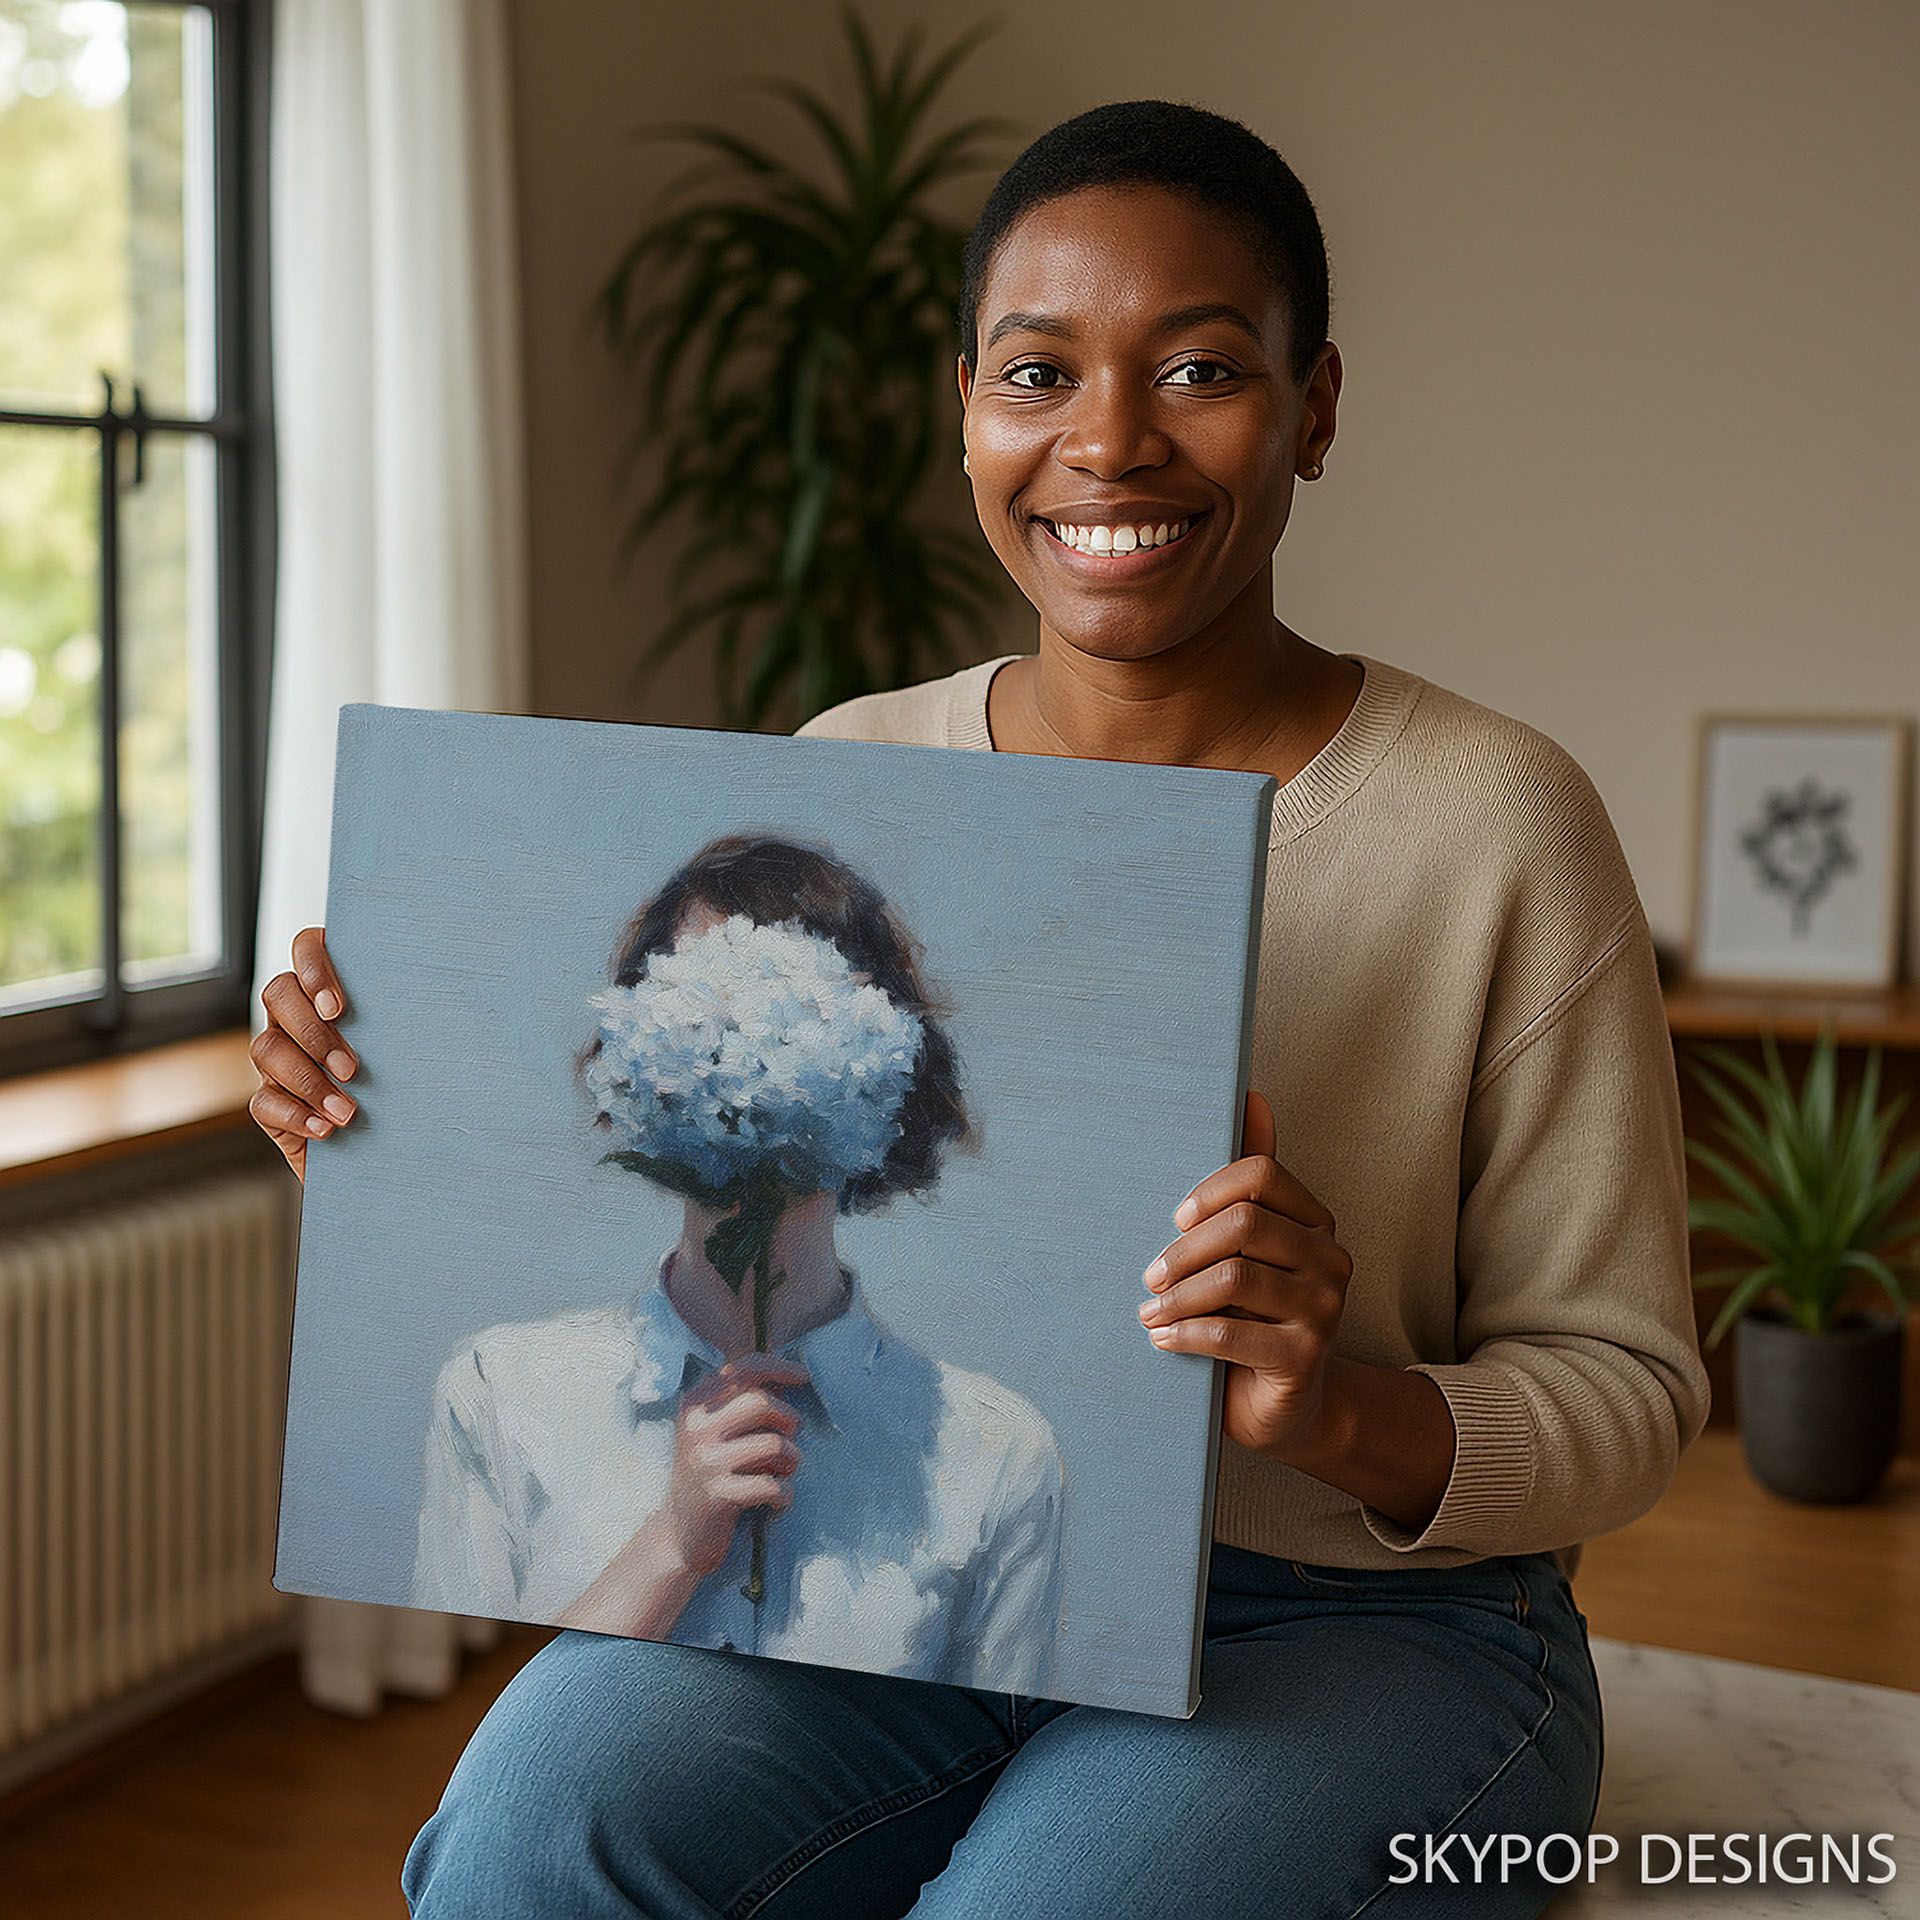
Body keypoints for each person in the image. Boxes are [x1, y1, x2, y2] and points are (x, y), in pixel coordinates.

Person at [251, 100, 1710, 1919]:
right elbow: (703, 1227)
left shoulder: (1498, 821)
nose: (1109, 439)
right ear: (967, 412)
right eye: (1038, 373)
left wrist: (1332, 1410)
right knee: (526, 1840)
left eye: (1200, 368)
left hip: (1368, 1622)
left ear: (1316, 406)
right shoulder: (855, 774)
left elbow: (1629, 1392)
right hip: (883, 1568)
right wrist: (383, 1143)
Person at [406, 834, 1065, 1693]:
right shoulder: (498, 1395)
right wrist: (673, 1546)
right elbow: (476, 1731)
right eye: (700, 1002)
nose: (735, 1042)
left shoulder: (1000, 1455)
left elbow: (984, 1754)